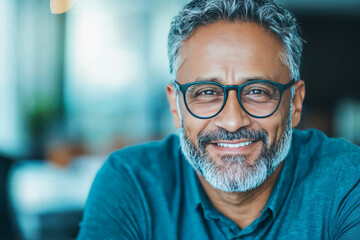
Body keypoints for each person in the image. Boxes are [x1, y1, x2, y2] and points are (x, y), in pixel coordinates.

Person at [77, 0, 360, 239]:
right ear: (175, 105)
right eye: (207, 92)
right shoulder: (131, 182)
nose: (233, 121)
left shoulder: (347, 180)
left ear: (295, 103)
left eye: (258, 92)